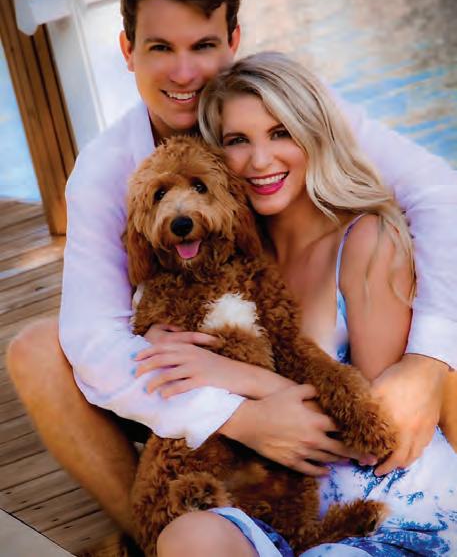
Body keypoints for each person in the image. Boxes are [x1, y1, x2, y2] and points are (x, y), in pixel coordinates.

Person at [6, 0, 457, 543]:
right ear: (127, 51)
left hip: (298, 347)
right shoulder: (105, 170)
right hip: (182, 379)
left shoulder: (277, 108)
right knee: (36, 352)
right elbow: (92, 342)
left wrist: (430, 359)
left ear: (233, 41)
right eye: (160, 48)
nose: (184, 73)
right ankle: (157, 537)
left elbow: (438, 192)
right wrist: (236, 414)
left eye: (202, 45)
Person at [147, 51, 457, 556]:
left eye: (280, 133)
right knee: (187, 537)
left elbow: (374, 432)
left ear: (314, 135)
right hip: (288, 516)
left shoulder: (365, 241)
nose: (260, 160)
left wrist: (233, 377)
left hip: (394, 516)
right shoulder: (234, 263)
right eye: (237, 141)